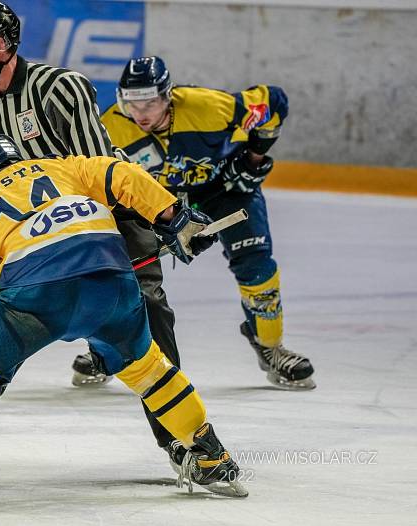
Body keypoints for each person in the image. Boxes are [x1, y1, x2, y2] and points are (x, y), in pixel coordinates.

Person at [0, 134, 247, 512]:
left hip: (39, 292)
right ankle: (210, 453)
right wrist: (173, 215)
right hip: (113, 281)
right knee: (150, 371)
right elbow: (122, 175)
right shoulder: (62, 167)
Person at [0, 0, 184, 470]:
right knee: (4, 318)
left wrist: (160, 221)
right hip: (35, 233)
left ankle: (179, 439)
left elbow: (104, 173)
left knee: (150, 311)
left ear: (0, 45)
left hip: (103, 217)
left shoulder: (59, 88)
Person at [101, 56, 314, 390]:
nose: (141, 113)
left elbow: (274, 101)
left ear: (167, 95)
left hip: (224, 192)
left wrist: (252, 160)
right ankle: (110, 351)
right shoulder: (109, 127)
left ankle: (270, 347)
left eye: (151, 102)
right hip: (162, 204)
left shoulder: (208, 107)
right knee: (117, 270)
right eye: (132, 103)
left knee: (257, 266)